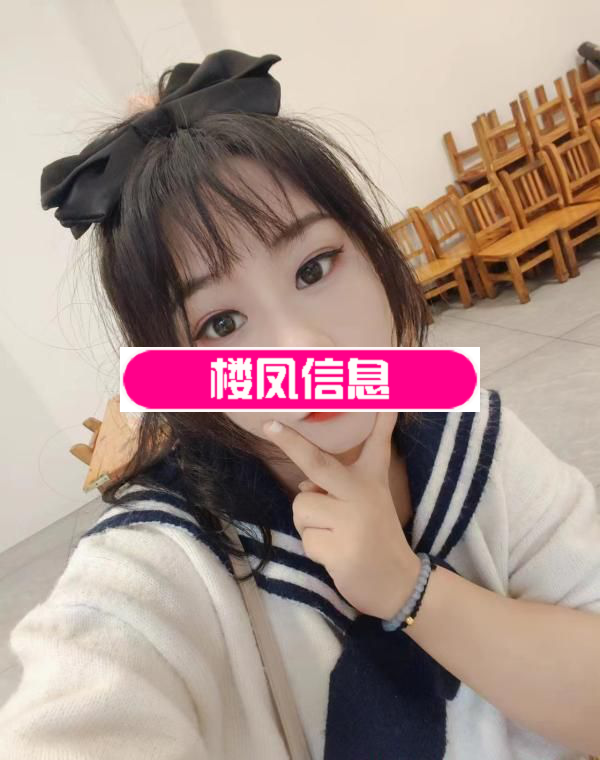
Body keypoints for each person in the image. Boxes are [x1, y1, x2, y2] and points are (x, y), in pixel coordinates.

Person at [1, 48, 600, 760]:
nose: (302, 350)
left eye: (314, 267)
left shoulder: (468, 430)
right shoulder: (164, 561)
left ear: (373, 252)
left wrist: (405, 586)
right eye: (221, 323)